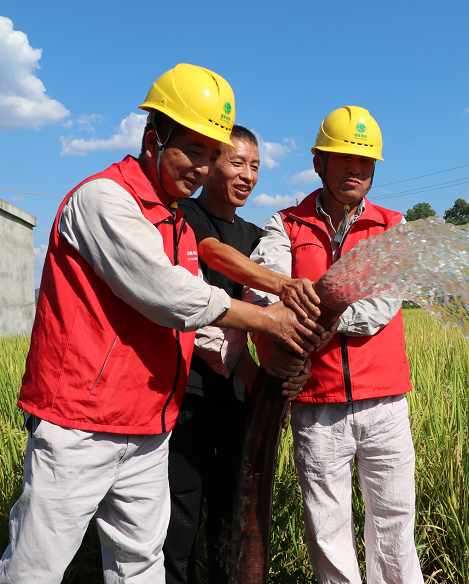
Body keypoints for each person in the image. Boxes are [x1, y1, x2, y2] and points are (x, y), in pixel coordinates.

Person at [0, 64, 325, 584]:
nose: (202, 166)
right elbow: (168, 294)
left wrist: (263, 378)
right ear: (153, 139)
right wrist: (268, 317)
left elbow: (204, 330)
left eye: (212, 154)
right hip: (81, 423)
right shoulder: (104, 200)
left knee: (140, 566)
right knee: (35, 567)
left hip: (149, 425)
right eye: (192, 150)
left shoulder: (173, 221)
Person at [245, 106, 423, 584]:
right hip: (315, 404)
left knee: (395, 524)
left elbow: (383, 304)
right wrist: (294, 307)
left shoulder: (392, 226)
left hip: (384, 402)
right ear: (318, 161)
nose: (356, 170)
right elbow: (265, 292)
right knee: (327, 529)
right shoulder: (286, 225)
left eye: (366, 162)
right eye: (344, 158)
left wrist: (324, 311)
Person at [162, 125, 314, 584]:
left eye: (255, 166)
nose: (247, 175)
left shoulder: (254, 233)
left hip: (239, 396)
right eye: (235, 162)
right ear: (209, 166)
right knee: (179, 515)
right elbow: (210, 263)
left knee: (233, 514)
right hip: (187, 393)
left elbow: (272, 311)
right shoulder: (183, 218)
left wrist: (287, 370)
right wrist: (251, 369)